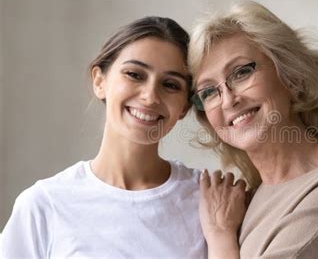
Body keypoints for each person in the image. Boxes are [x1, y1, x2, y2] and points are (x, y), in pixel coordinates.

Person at [189, 0, 318, 259]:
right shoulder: (252, 197)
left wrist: (220, 235)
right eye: (209, 91)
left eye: (241, 72)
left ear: (292, 76)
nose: (228, 100)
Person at [1, 16, 206, 258]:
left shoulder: (207, 198)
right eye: (134, 74)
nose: (150, 96)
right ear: (100, 81)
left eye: (171, 85)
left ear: (184, 107)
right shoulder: (44, 205)